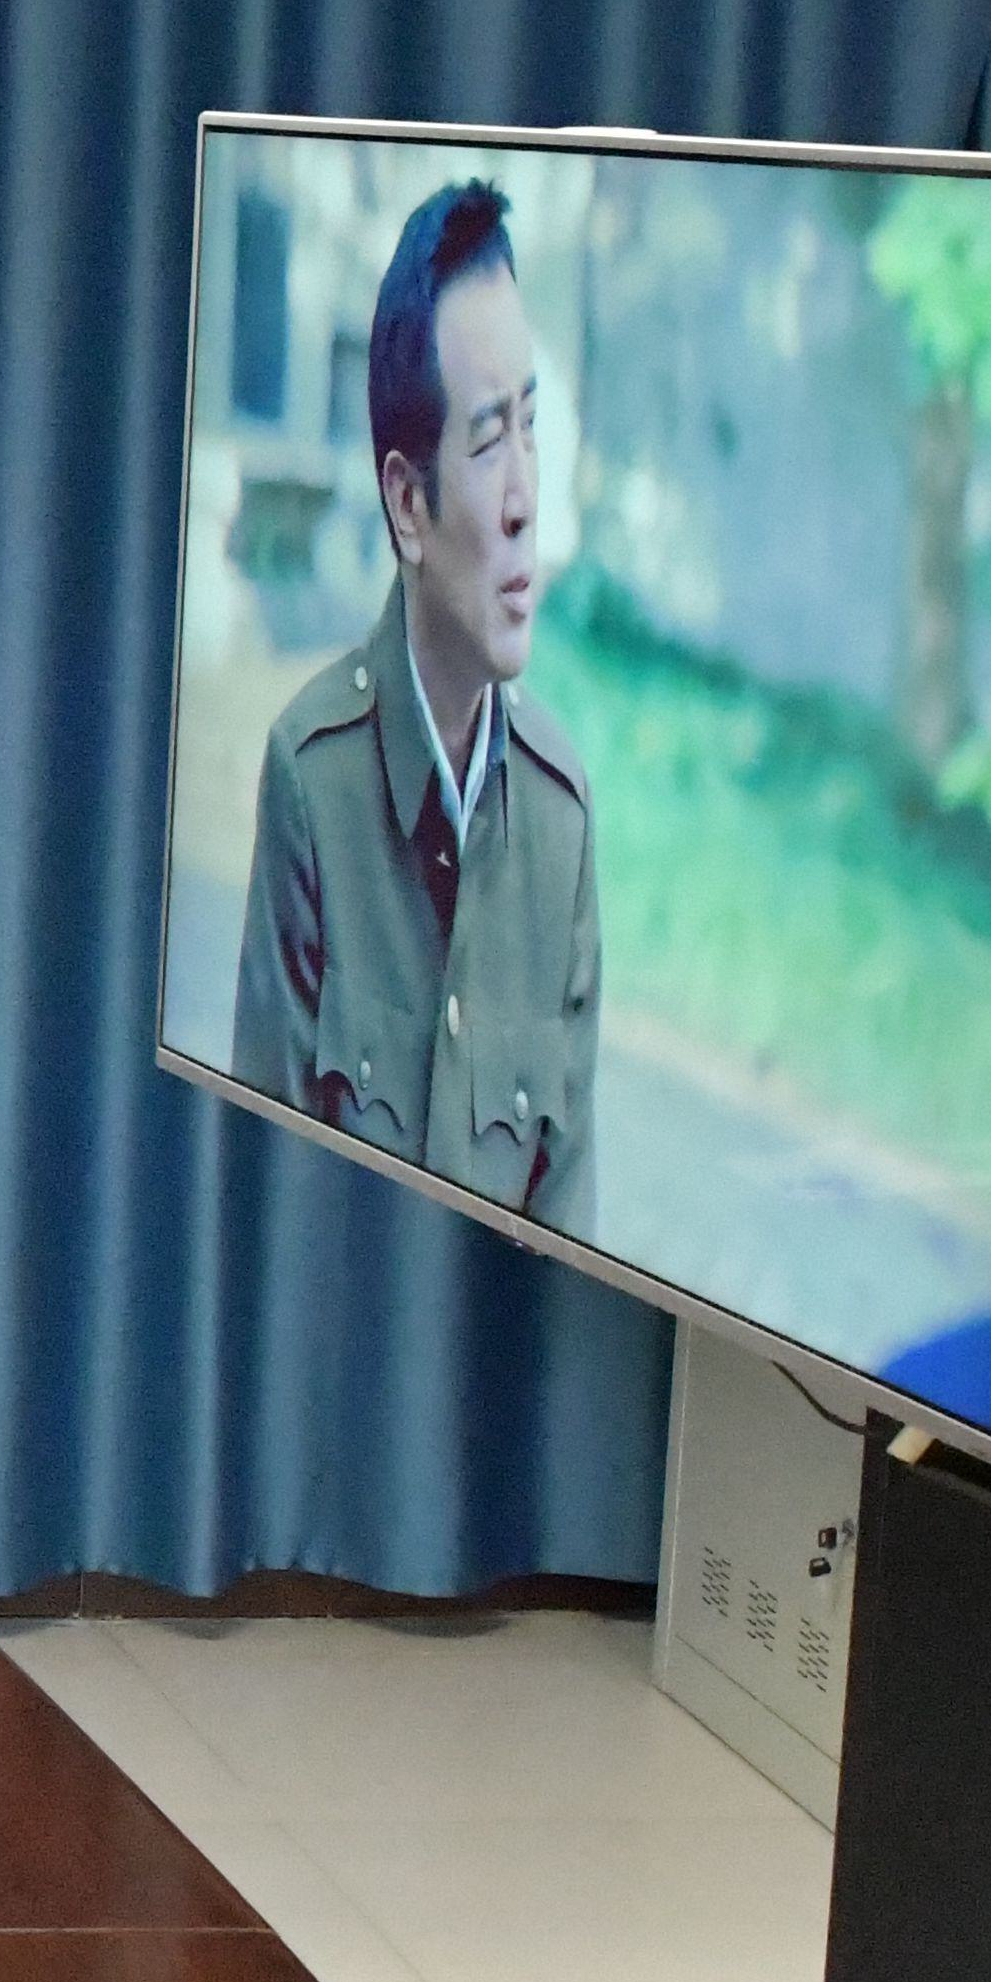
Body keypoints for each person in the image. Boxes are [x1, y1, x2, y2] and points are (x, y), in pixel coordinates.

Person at [230, 177, 599, 1221]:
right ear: (406, 503)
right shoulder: (311, 780)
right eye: (486, 441)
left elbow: (568, 1229)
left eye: (531, 426)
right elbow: (263, 1203)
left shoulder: (560, 822)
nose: (525, 498)